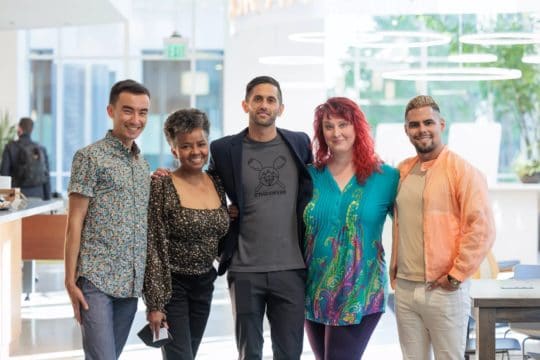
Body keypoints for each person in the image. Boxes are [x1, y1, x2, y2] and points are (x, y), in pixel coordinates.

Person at [208, 75, 313, 360]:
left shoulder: (300, 143)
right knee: (249, 352)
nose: (264, 105)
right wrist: (222, 212)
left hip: (291, 268)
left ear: (281, 108)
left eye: (271, 100)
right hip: (244, 269)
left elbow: (315, 186)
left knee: (290, 352)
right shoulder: (222, 149)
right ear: (246, 105)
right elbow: (204, 189)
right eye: (258, 99)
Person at [390, 95, 495, 359]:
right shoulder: (402, 170)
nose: (421, 129)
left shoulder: (462, 170)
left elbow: (482, 228)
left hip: (443, 289)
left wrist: (456, 275)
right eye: (414, 125)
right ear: (406, 130)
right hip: (404, 288)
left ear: (441, 124)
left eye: (428, 122)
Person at [303, 97, 399, 360]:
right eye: (328, 126)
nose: (336, 132)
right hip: (313, 291)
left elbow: (410, 224)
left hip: (360, 291)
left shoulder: (386, 177)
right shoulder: (309, 175)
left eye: (343, 124)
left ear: (357, 127)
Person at [64, 79, 151, 360]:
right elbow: (74, 221)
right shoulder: (89, 157)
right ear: (110, 111)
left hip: (130, 284)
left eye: (143, 112)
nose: (136, 119)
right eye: (128, 111)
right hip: (96, 280)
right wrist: (69, 280)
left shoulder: (142, 164)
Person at [143, 108, 229, 359]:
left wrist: (231, 215)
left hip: (205, 283)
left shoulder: (217, 182)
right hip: (173, 287)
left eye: (201, 144)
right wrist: (155, 305)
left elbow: (218, 231)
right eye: (186, 146)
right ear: (174, 150)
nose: (195, 152)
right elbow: (154, 246)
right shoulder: (162, 185)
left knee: (189, 353)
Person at [0, 117, 51, 200]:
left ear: (19, 129)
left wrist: (4, 200)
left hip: (18, 197)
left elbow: (4, 174)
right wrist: (48, 199)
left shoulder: (10, 147)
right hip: (39, 196)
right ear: (31, 130)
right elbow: (46, 177)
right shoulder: (41, 149)